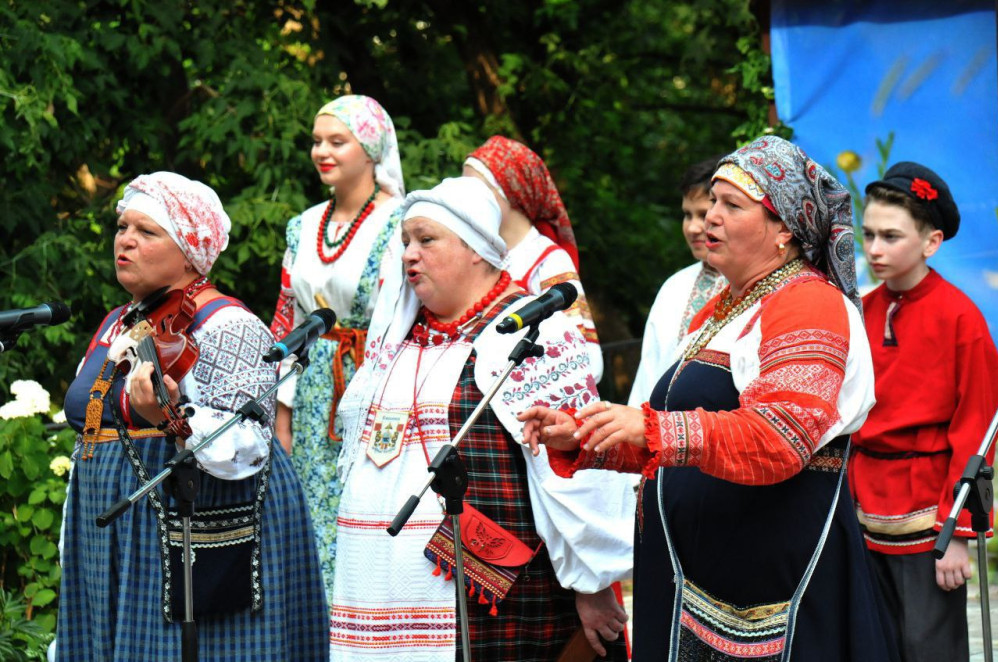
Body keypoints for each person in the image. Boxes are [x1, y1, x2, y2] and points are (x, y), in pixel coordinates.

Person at [519, 136, 900, 661]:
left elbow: (780, 436)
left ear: (784, 228)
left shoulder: (809, 303)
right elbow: (680, 442)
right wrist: (589, 440)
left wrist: (649, 428)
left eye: (730, 205)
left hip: (761, 586)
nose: (708, 220)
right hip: (696, 578)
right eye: (709, 203)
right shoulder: (723, 307)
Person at [329, 177, 635, 661]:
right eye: (406, 241)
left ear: (476, 249)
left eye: (427, 240)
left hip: (492, 596)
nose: (410, 253)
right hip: (381, 591)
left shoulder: (528, 332)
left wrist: (591, 582)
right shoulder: (400, 338)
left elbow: (575, 467)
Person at [56, 172, 328, 660]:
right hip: (114, 530)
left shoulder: (229, 324)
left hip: (198, 529)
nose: (126, 240)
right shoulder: (120, 321)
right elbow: (84, 412)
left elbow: (247, 443)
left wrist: (171, 417)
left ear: (187, 251)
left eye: (147, 231)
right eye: (123, 227)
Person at [849, 161, 998, 662]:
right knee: (876, 646)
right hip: (863, 513)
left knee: (929, 649)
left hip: (928, 521)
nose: (874, 249)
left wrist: (957, 532)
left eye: (891, 236)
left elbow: (977, 431)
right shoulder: (862, 313)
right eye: (868, 234)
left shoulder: (961, 319)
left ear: (930, 242)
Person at [270, 94, 406, 601]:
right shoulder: (302, 226)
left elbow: (405, 320)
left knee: (363, 514)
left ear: (370, 149)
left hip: (373, 385)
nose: (321, 151)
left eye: (336, 141)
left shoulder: (400, 222)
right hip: (310, 395)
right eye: (316, 141)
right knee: (310, 520)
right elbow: (288, 320)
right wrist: (280, 412)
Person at [463, 135, 604, 380]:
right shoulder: (480, 257)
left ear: (511, 192)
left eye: (476, 188)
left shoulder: (549, 262)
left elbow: (587, 360)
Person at [628, 155, 728, 407]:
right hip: (657, 433)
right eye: (687, 215)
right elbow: (648, 373)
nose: (693, 227)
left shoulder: (756, 283)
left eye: (703, 214)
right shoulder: (674, 287)